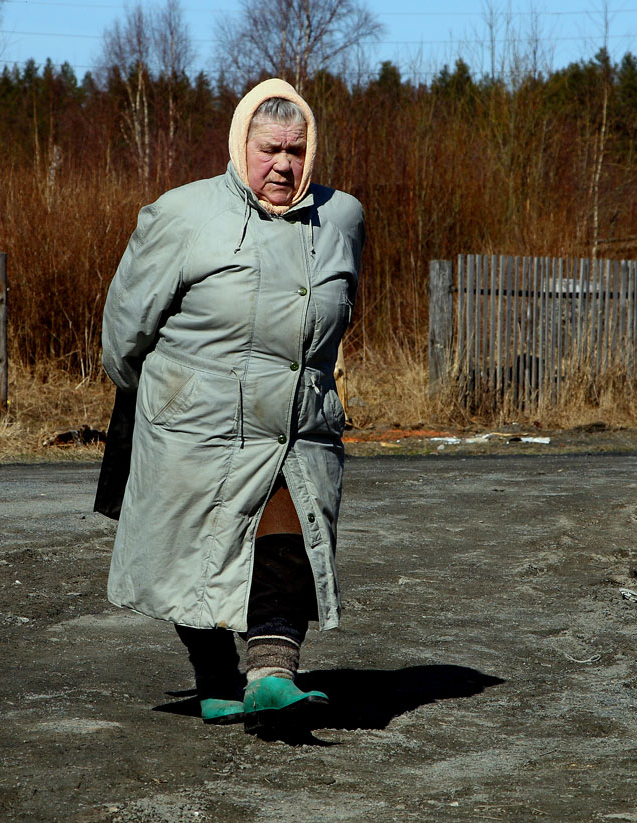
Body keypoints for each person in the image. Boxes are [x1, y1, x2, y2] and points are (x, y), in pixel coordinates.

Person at [100, 78, 364, 735]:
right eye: (270, 148)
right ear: (239, 143)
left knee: (289, 530)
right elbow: (124, 330)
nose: (283, 164)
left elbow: (340, 317)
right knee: (193, 544)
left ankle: (272, 672)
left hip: (294, 424)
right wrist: (168, 396)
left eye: (296, 150)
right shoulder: (184, 214)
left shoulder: (342, 219)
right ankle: (215, 676)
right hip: (196, 420)